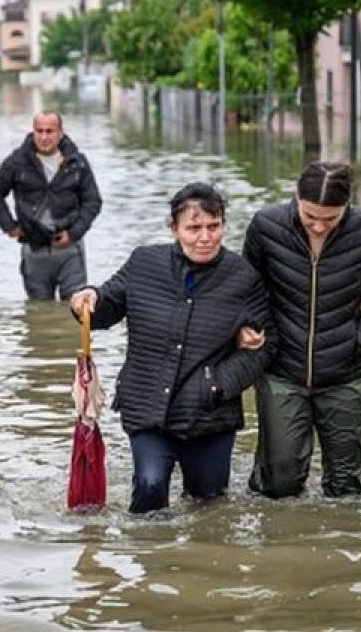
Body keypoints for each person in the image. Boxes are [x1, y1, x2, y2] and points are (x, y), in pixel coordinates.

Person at [68, 183, 274, 514]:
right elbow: (107, 306)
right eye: (194, 228)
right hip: (146, 406)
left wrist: (218, 384)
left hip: (209, 413)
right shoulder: (143, 263)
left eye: (214, 226)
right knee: (149, 489)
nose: (205, 237)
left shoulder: (242, 277)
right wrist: (87, 299)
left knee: (209, 506)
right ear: (174, 229)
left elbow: (265, 345)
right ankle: (151, 560)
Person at [240, 161, 361, 499]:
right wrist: (254, 333)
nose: (318, 227)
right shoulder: (266, 226)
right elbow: (248, 293)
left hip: (346, 374)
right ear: (296, 197)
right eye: (310, 216)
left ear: (347, 206)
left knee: (345, 487)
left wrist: (357, 343)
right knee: (279, 485)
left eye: (330, 219)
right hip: (281, 370)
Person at [0, 110, 102, 301]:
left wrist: (74, 233)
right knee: (38, 313)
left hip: (70, 250)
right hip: (34, 250)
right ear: (33, 132)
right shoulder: (18, 161)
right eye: (39, 131)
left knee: (75, 309)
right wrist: (10, 226)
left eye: (49, 131)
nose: (44, 137)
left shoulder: (77, 162)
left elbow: (93, 201)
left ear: (60, 133)